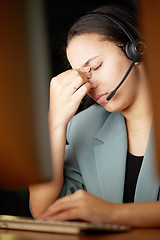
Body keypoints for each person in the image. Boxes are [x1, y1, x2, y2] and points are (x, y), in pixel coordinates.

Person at [29, 4, 160, 227]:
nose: (89, 84)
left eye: (96, 66)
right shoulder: (85, 126)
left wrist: (112, 214)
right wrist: (55, 122)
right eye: (81, 75)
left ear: (135, 50)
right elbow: (45, 210)